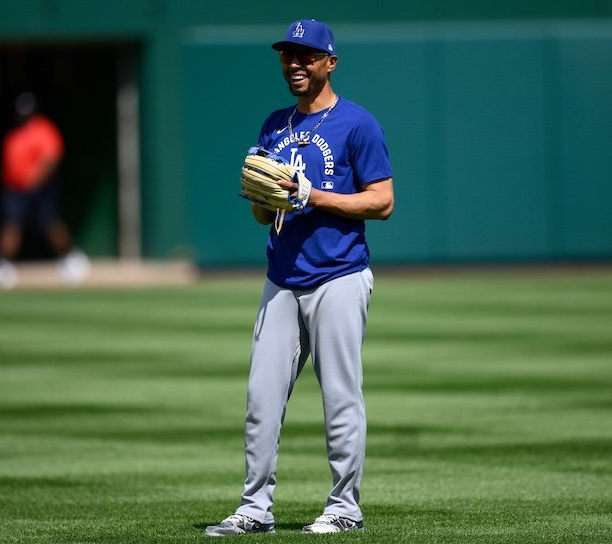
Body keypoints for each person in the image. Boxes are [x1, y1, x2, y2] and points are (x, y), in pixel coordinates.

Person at [206, 19, 394, 536]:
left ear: (329, 62)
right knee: (261, 399)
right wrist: (266, 198)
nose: (295, 64)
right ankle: (254, 508)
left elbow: (382, 201)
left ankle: (343, 509)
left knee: (340, 398)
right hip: (282, 277)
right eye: (288, 55)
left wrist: (313, 195)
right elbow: (264, 216)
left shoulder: (358, 125)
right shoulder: (274, 125)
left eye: (306, 56)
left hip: (339, 274)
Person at [0, 91, 90, 289]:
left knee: (50, 224)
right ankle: (0, 264)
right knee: (11, 225)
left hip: (41, 188)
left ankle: (70, 257)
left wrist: (37, 178)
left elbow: (52, 157)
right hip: (15, 188)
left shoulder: (43, 129)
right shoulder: (14, 134)